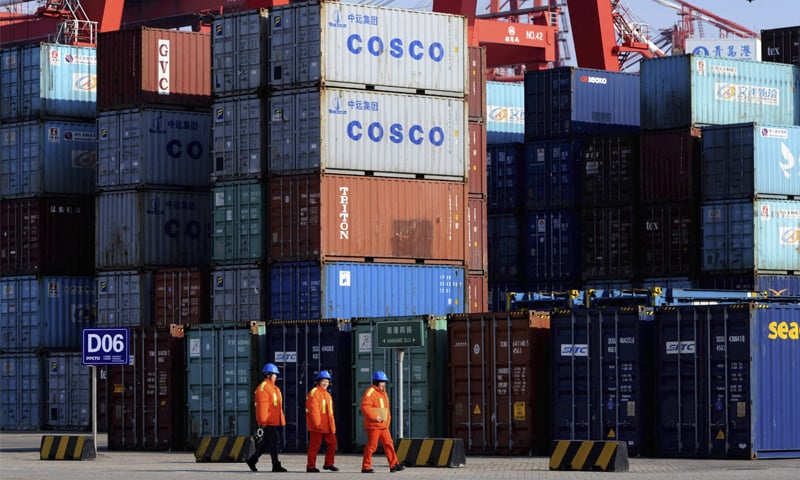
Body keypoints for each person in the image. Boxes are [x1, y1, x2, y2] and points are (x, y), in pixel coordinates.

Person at [360, 370, 404, 474]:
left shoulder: (383, 393)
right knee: (372, 446)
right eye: (382, 382)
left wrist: (387, 420)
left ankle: (394, 465)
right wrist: (376, 417)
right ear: (376, 382)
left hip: (383, 425)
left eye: (384, 382)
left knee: (389, 444)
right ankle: (366, 466)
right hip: (374, 425)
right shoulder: (370, 392)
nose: (383, 384)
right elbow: (365, 407)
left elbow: (386, 409)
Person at [246, 363, 287, 473]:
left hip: (273, 420)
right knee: (274, 442)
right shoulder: (264, 388)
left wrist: (280, 419)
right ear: (268, 375)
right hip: (268, 421)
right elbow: (262, 407)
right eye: (274, 374)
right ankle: (275, 465)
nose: (276, 376)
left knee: (267, 443)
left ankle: (252, 460)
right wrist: (263, 422)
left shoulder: (274, 388)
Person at [305, 370, 339, 473]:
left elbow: (330, 413)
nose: (325, 383)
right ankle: (310, 466)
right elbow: (313, 410)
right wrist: (317, 424)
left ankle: (329, 464)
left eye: (327, 381)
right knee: (314, 446)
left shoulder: (327, 395)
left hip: (327, 426)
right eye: (323, 381)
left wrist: (332, 427)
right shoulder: (315, 392)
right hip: (318, 426)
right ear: (319, 381)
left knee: (332, 443)